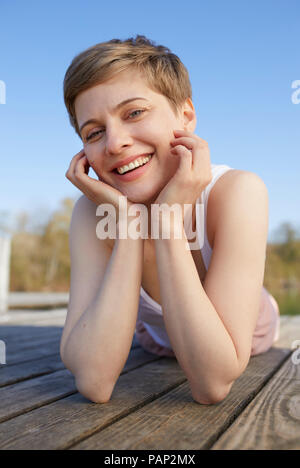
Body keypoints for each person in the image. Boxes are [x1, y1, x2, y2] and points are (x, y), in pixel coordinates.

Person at [60, 35, 280, 405]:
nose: (114, 143)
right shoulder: (92, 211)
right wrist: (128, 228)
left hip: (247, 335)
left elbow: (212, 384)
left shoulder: (238, 191)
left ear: (186, 116)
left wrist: (166, 219)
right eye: (94, 132)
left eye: (134, 113)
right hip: (157, 340)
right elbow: (95, 382)